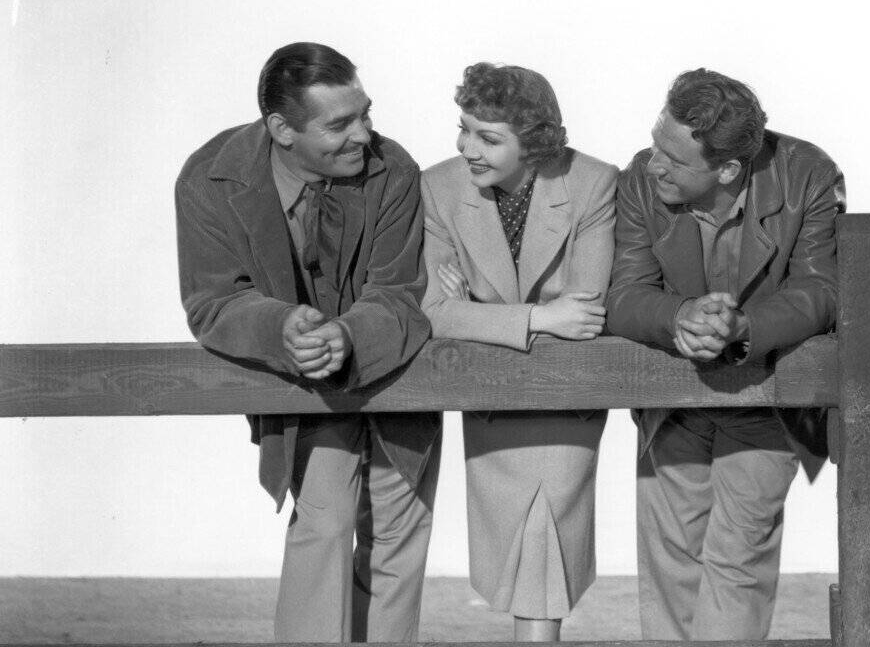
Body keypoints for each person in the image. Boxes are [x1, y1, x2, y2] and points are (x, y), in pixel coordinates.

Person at [175, 43, 438, 641]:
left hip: (397, 370)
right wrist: (280, 327)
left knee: (399, 528)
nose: (364, 136)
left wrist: (347, 334)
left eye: (365, 114)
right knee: (325, 518)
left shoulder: (393, 168)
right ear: (281, 130)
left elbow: (399, 292)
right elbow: (212, 300)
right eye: (340, 124)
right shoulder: (209, 177)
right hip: (301, 387)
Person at [605, 68, 843, 640]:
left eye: (673, 159)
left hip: (767, 403)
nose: (653, 164)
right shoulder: (640, 179)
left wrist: (743, 327)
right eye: (656, 144)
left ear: (729, 169)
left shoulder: (807, 173)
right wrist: (680, 316)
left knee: (738, 557)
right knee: (672, 558)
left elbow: (822, 290)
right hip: (673, 405)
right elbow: (626, 293)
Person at [420, 62, 617, 642]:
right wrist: (538, 316)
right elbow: (433, 312)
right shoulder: (438, 186)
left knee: (546, 533)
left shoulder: (592, 182)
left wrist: (477, 315)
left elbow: (585, 313)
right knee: (513, 543)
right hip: (491, 403)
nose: (467, 148)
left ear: (532, 143)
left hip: (564, 397)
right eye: (464, 129)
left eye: (488, 137)